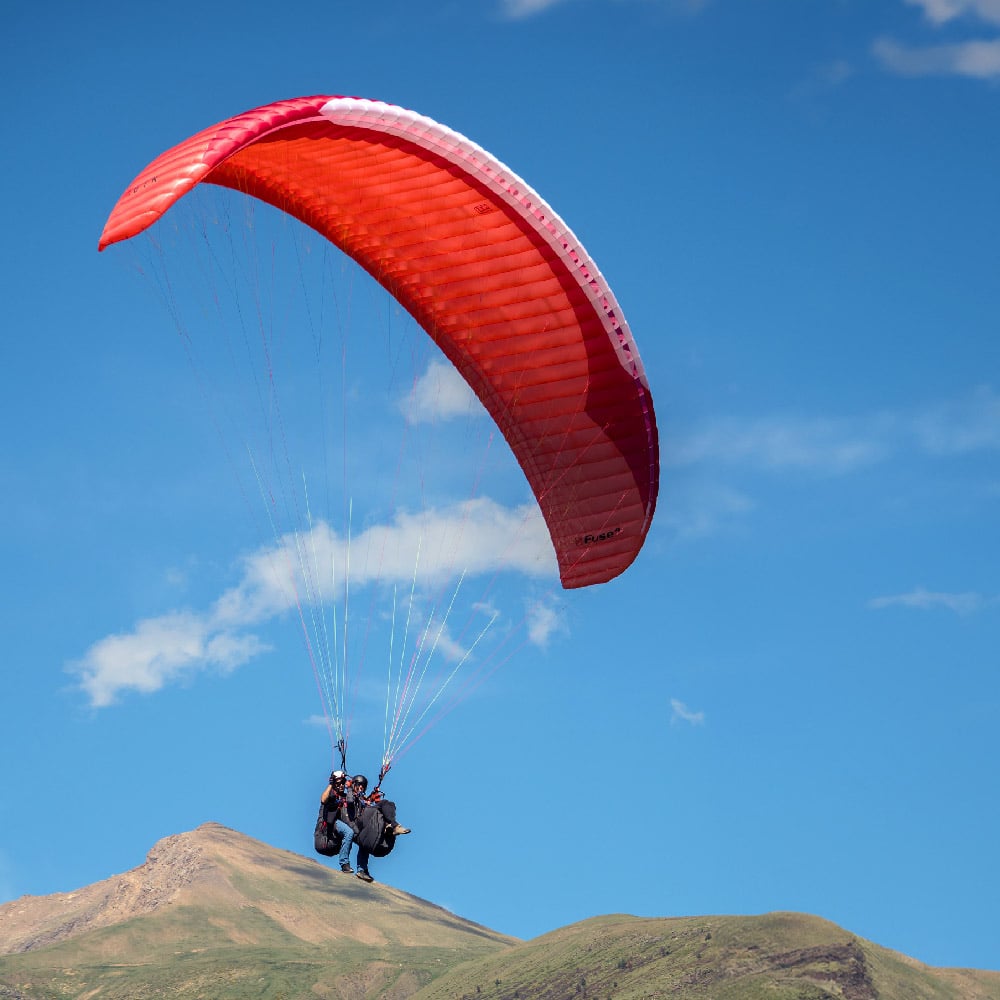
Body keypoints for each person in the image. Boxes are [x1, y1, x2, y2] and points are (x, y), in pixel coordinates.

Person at [348, 774, 411, 883]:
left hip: (365, 824)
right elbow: (350, 803)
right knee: (384, 804)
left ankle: (362, 870)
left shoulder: (363, 798)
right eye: (359, 785)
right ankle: (393, 826)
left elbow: (366, 804)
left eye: (363, 786)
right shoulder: (349, 795)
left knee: (387, 806)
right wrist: (349, 788)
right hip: (356, 821)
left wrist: (372, 799)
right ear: (354, 785)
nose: (361, 788)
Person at [319, 770, 357, 874]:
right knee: (349, 832)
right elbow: (323, 800)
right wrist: (331, 784)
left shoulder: (343, 796)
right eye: (339, 783)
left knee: (354, 830)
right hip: (328, 827)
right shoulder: (331, 793)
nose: (341, 785)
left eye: (343, 783)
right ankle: (344, 864)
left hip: (335, 832)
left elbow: (352, 801)